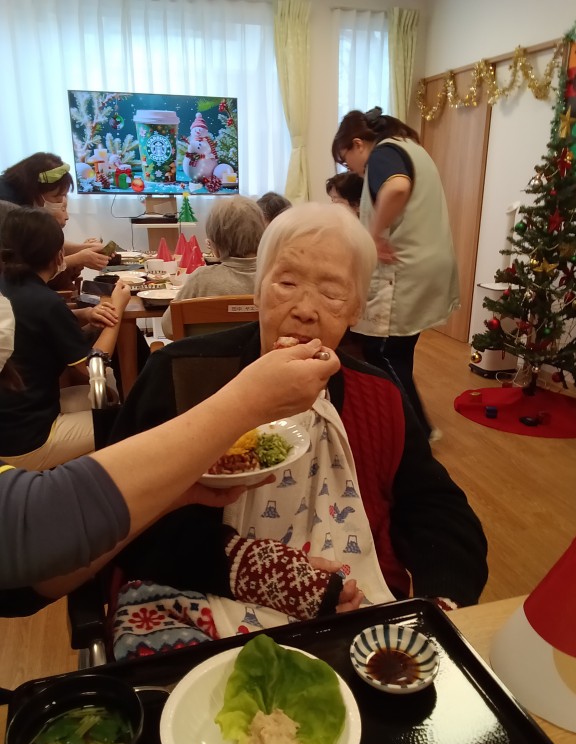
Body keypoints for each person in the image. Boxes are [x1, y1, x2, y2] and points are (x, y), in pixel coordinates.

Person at [109, 202, 487, 654]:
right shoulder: (179, 374)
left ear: (356, 308)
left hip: (358, 609)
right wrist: (269, 573)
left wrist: (439, 607)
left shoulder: (380, 394)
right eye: (286, 283)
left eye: (332, 293)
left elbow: (436, 508)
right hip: (199, 595)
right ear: (257, 289)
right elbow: (123, 520)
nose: (305, 309)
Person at [0, 292, 340, 617]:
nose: (304, 309)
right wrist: (246, 402)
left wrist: (169, 497)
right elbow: (30, 528)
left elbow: (33, 578)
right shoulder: (172, 369)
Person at [332, 107, 460, 439]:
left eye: (346, 160)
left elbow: (397, 188)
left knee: (382, 352)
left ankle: (415, 433)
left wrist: (373, 236)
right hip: (429, 265)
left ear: (357, 144)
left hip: (404, 269)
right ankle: (410, 427)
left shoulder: (384, 153)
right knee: (398, 351)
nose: (352, 170)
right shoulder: (412, 148)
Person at [0, 208, 129, 470]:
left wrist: (84, 314)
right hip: (27, 441)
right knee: (126, 421)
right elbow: (95, 370)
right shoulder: (46, 302)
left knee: (109, 396)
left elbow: (33, 323)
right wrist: (117, 308)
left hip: (11, 423)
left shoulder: (8, 287)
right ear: (58, 256)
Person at [161, 195, 265, 340]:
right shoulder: (275, 278)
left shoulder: (201, 279)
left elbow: (169, 328)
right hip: (266, 355)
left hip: (205, 355)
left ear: (214, 246)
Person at [0, 153, 110, 282]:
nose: (60, 203)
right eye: (56, 198)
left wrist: (84, 248)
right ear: (35, 190)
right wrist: (79, 258)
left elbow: (40, 242)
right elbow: (22, 269)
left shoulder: (18, 197)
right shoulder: (8, 211)